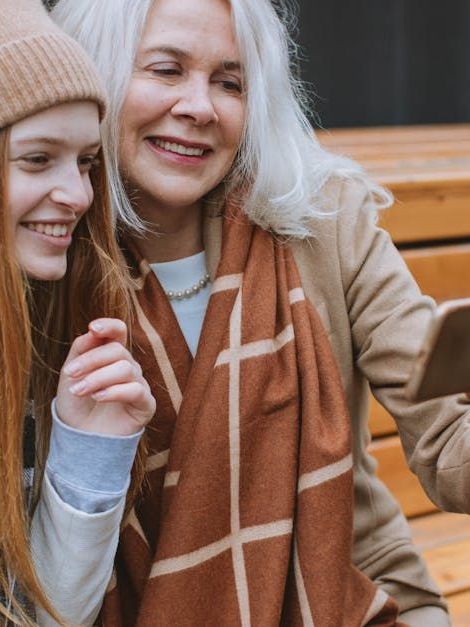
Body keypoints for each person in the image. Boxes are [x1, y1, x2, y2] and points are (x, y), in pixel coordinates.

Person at [51, 0, 470, 624]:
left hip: (349, 597)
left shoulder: (324, 220)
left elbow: (448, 445)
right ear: (96, 77)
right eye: (166, 70)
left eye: (230, 83)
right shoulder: (47, 256)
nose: (201, 107)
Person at [0, 1, 155, 625]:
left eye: (87, 162)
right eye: (37, 159)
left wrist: (88, 450)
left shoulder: (48, 337)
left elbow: (51, 615)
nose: (79, 195)